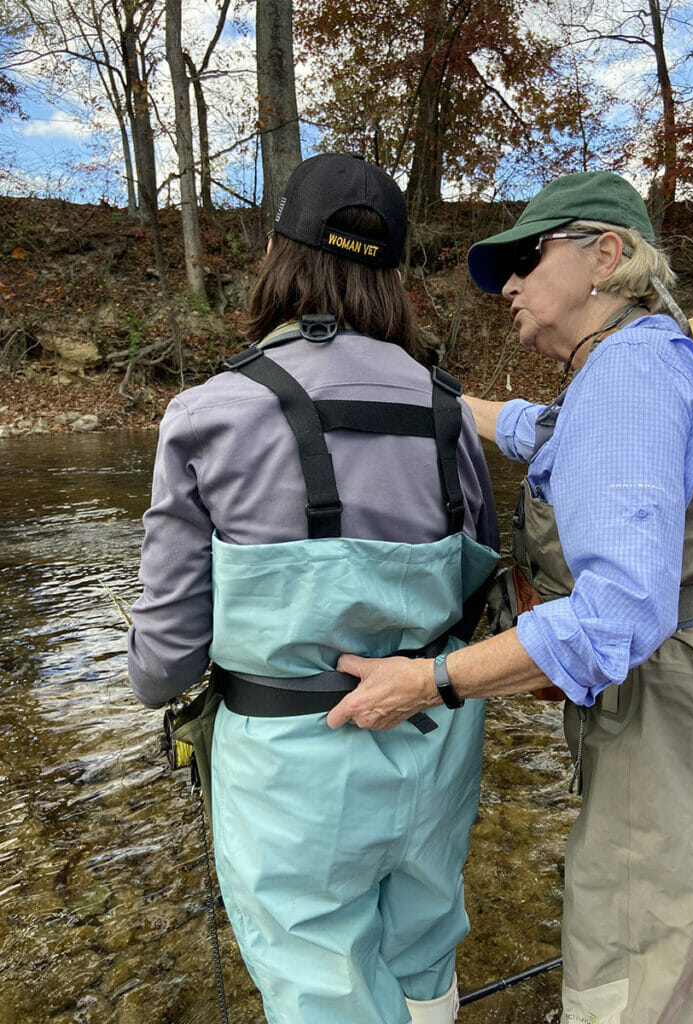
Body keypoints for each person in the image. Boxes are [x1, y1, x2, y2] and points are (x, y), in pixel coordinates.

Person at [327, 170, 693, 1024]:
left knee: (624, 944)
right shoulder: (638, 358)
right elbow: (547, 432)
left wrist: (430, 680)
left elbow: (617, 616)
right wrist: (443, 400)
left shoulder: (628, 379)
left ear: (607, 254)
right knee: (671, 938)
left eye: (527, 259)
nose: (512, 286)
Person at [127, 152, 499, 1024]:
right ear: (396, 279)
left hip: (292, 783)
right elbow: (476, 584)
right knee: (423, 947)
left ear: (274, 252)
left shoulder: (208, 413)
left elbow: (161, 668)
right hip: (436, 745)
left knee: (318, 985)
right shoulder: (451, 411)